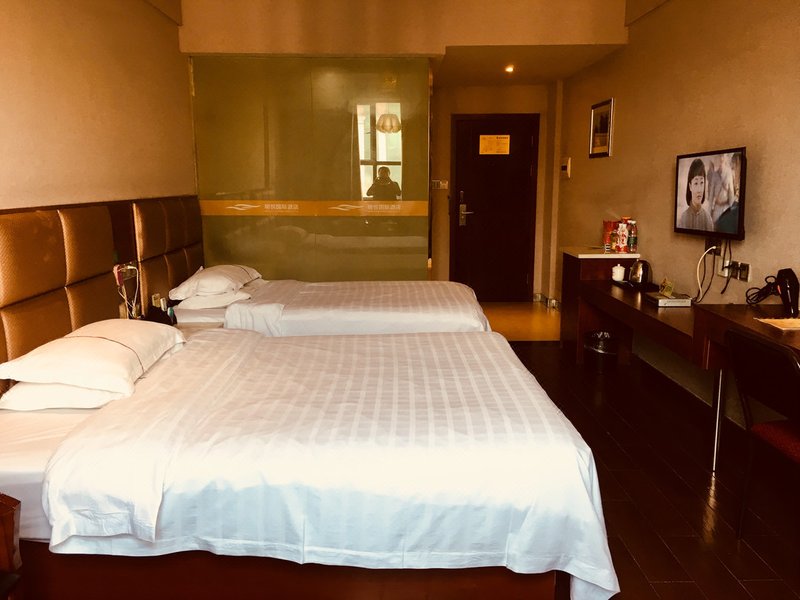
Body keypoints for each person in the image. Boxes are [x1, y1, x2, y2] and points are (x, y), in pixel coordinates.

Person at [678, 158, 713, 231]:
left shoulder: (708, 219)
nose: (699, 190)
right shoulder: (683, 218)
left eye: (702, 183)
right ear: (690, 186)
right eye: (696, 183)